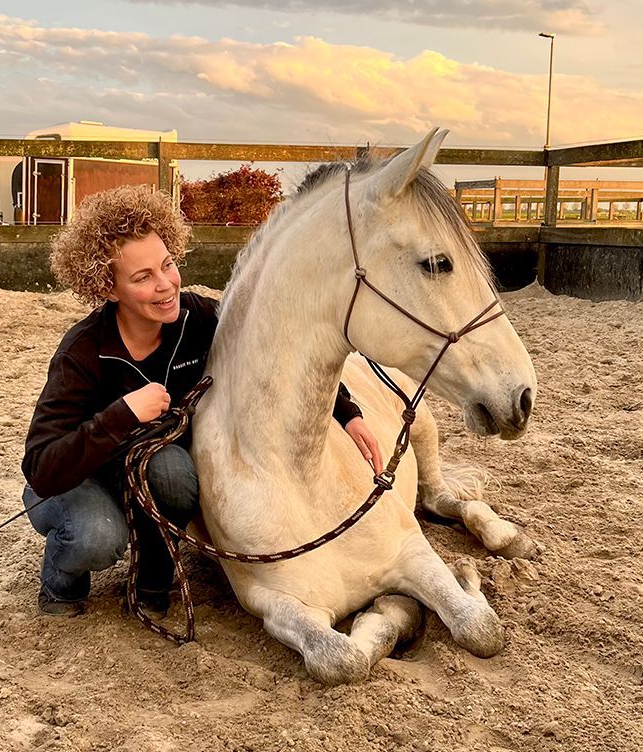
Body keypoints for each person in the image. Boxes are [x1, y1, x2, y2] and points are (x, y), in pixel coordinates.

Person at [21, 186, 383, 617]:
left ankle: (153, 580)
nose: (165, 285)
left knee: (172, 469)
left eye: (167, 265)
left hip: (149, 469)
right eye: (142, 278)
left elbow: (276, 352)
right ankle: (61, 585)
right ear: (108, 287)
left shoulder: (199, 317)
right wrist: (124, 413)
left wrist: (348, 413)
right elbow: (42, 467)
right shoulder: (81, 353)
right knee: (96, 537)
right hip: (81, 478)